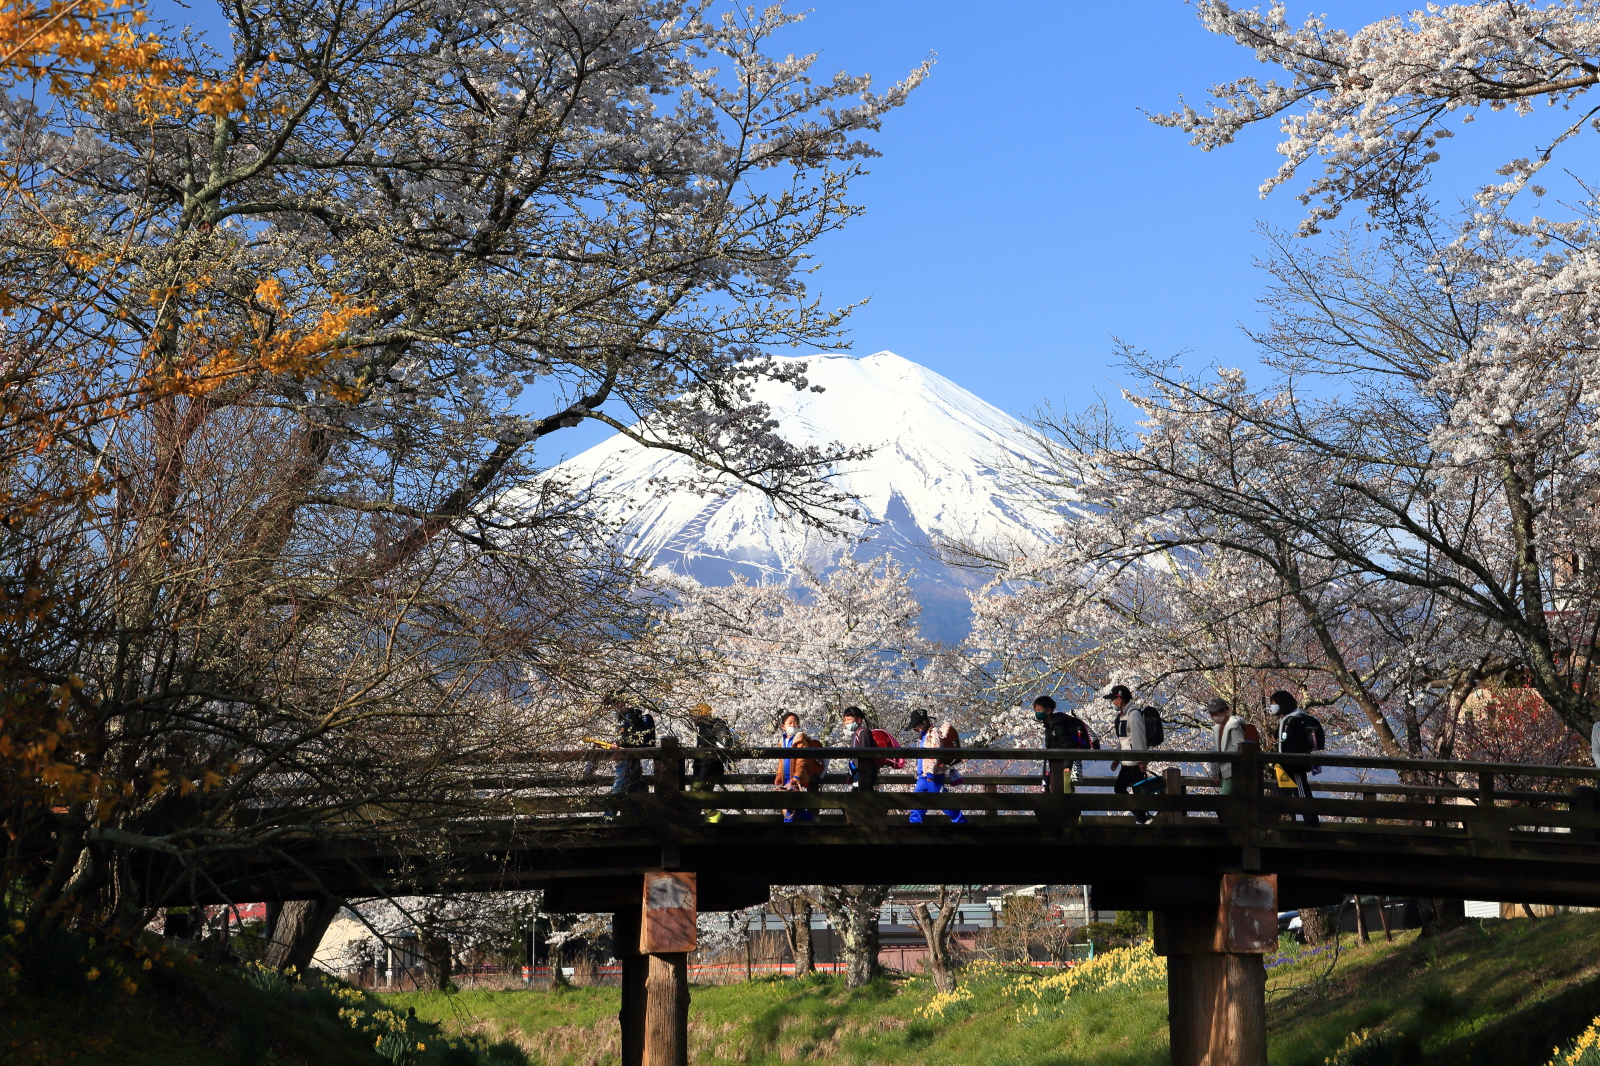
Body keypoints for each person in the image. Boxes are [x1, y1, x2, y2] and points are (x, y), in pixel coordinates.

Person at [905, 708, 967, 825]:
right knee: (917, 802)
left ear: (924, 722)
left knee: (943, 801)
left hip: (932, 775)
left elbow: (934, 753)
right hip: (922, 776)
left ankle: (961, 822)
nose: (915, 729)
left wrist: (930, 772)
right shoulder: (922, 736)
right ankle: (914, 824)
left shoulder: (934, 733)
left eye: (916, 726)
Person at [1271, 690, 1323, 826]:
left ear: (1282, 704)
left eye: (1274, 704)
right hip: (1286, 766)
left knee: (1301, 793)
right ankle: (1267, 820)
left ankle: (1311, 823)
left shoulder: (1294, 722)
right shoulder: (1286, 721)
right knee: (1279, 794)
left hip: (1294, 767)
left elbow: (1296, 746)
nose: (1272, 707)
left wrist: (1288, 761)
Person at [1108, 684, 1152, 824]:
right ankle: (1142, 817)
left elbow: (1138, 737)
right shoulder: (1123, 716)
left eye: (1114, 699)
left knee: (1137, 791)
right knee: (1120, 789)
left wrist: (1141, 761)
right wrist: (1117, 758)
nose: (1112, 702)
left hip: (1134, 761)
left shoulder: (1133, 714)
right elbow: (1123, 739)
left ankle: (1142, 819)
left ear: (1119, 699)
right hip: (1126, 761)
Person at [1035, 695, 1094, 792]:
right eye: (1036, 710)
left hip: (1063, 764)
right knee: (1058, 789)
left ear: (1048, 710)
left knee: (1066, 790)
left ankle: (1070, 807)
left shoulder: (1058, 725)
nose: (1037, 713)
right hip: (1055, 763)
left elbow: (1066, 744)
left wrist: (1067, 765)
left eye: (1039, 710)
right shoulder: (1050, 725)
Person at [689, 703, 736, 823]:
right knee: (706, 793)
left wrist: (702, 774)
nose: (693, 719)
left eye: (694, 716)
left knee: (693, 794)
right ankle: (710, 820)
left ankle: (708, 816)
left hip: (707, 769)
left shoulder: (706, 728)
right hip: (716, 768)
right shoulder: (714, 725)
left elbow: (706, 754)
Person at [775, 711, 825, 823]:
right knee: (794, 805)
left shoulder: (800, 739)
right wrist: (778, 776)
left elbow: (802, 760)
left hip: (796, 778)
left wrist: (797, 776)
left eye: (796, 723)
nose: (793, 725)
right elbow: (781, 761)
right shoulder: (782, 740)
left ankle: (789, 831)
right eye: (790, 723)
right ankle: (813, 820)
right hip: (786, 777)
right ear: (783, 726)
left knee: (789, 804)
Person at [1207, 698, 1247, 794]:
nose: (1213, 717)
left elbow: (1238, 747)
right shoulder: (1217, 728)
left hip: (1232, 770)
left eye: (1215, 714)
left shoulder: (1234, 726)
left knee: (1224, 797)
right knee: (1227, 800)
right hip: (1223, 770)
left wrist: (1222, 755)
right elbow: (1214, 749)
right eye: (1211, 714)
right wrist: (1214, 771)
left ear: (1224, 712)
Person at [840, 706, 878, 790]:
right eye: (845, 720)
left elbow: (864, 754)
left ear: (858, 720)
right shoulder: (855, 734)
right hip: (857, 773)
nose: (846, 723)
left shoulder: (863, 733)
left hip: (863, 773)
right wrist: (851, 774)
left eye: (849, 719)